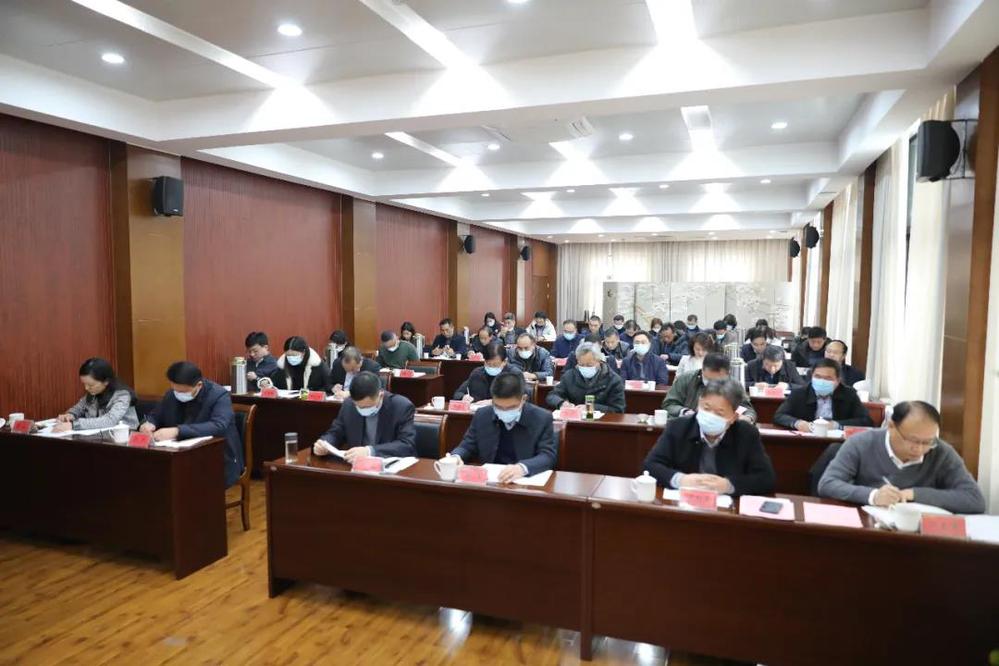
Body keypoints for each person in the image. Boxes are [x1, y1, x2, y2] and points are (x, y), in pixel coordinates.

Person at [818, 401, 985, 513]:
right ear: (891, 426)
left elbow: (974, 499)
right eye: (913, 440)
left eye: (927, 442)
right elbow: (828, 484)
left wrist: (913, 494)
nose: (919, 449)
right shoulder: (861, 442)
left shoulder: (941, 452)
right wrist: (873, 496)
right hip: (865, 528)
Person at [643, 379, 776, 496]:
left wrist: (728, 485)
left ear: (733, 417)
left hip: (727, 508)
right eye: (706, 408)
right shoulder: (678, 427)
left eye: (720, 413)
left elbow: (766, 478)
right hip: (684, 503)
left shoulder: (746, 434)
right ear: (699, 404)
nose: (711, 416)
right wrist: (681, 480)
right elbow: (650, 465)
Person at [140, 361, 242, 487]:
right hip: (180, 453)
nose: (178, 394)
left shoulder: (218, 395)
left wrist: (178, 431)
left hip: (216, 456)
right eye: (175, 390)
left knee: (188, 483)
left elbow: (219, 425)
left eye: (183, 392)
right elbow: (156, 415)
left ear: (199, 385)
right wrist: (149, 423)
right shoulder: (172, 394)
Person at [444, 373, 557, 482]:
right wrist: (456, 456)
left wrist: (522, 468)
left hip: (524, 482)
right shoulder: (482, 415)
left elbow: (548, 455)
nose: (504, 411)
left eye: (511, 407)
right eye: (498, 406)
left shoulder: (541, 418)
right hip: (490, 481)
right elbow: (467, 445)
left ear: (523, 399)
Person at [312, 371, 416, 462]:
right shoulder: (349, 405)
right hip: (356, 467)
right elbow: (336, 433)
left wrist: (370, 451)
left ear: (380, 395)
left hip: (390, 469)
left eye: (367, 406)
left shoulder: (401, 407)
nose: (363, 410)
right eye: (359, 406)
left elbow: (407, 445)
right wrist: (325, 444)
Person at [774, 359, 873, 432]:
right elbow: (779, 416)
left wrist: (837, 425)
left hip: (837, 442)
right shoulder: (799, 393)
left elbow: (866, 421)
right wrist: (797, 423)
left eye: (828, 378)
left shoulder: (849, 394)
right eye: (817, 377)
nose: (822, 381)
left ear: (838, 380)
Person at [662, 353, 757, 423]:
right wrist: (684, 412)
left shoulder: (733, 384)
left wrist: (747, 418)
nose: (713, 384)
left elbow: (747, 409)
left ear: (728, 374)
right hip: (688, 425)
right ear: (702, 370)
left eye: (719, 380)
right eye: (709, 379)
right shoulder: (686, 379)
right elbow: (669, 404)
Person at [54, 358, 139, 432]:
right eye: (84, 384)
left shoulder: (122, 395)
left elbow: (110, 420)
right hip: (98, 438)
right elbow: (78, 408)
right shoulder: (94, 393)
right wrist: (70, 415)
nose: (86, 388)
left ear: (106, 381)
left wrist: (74, 425)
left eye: (90, 385)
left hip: (123, 439)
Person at [546, 342, 626, 413]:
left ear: (599, 361)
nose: (585, 368)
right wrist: (562, 403)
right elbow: (552, 396)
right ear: (577, 361)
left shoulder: (613, 380)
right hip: (575, 420)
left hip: (602, 422)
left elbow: (618, 409)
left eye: (589, 365)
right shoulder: (569, 376)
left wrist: (591, 407)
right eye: (582, 365)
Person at [454, 341, 526, 401]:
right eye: (488, 364)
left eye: (495, 365)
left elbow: (522, 398)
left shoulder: (514, 374)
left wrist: (493, 402)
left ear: (505, 361)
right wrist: (463, 397)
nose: (491, 367)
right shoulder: (477, 373)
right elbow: (458, 393)